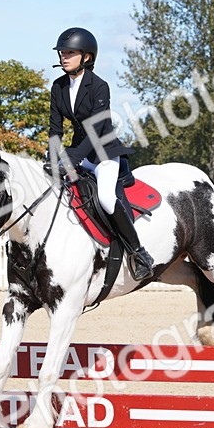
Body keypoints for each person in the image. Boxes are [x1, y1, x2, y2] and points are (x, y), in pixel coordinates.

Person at [49, 27, 153, 280]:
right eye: (62, 52)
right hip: (77, 153)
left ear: (86, 57)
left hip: (104, 154)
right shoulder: (58, 86)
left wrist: (72, 158)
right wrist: (53, 157)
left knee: (106, 198)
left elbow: (95, 128)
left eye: (70, 52)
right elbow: (55, 128)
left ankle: (139, 253)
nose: (64, 56)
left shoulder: (99, 87)